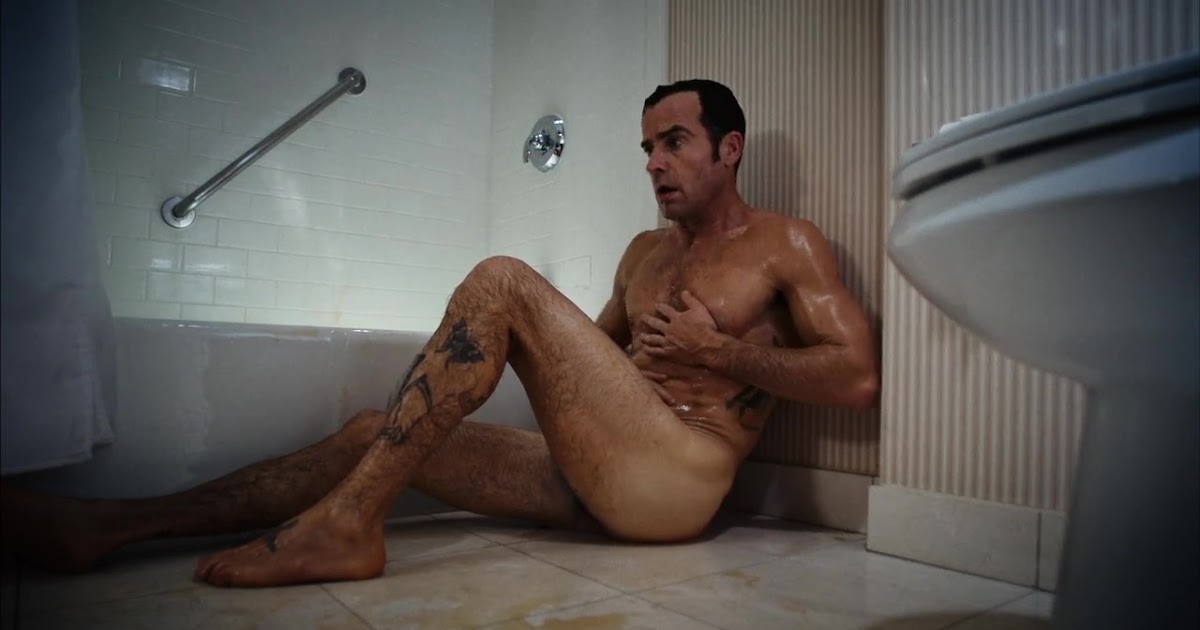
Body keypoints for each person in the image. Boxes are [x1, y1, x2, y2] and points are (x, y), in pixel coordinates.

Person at [1, 79, 878, 588]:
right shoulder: (644, 253)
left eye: (675, 142)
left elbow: (856, 377)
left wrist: (718, 352)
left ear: (730, 149)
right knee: (368, 436)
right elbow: (585, 363)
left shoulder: (784, 244)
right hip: (600, 467)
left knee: (503, 277)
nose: (653, 163)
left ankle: (349, 526)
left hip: (677, 485)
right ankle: (114, 525)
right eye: (646, 148)